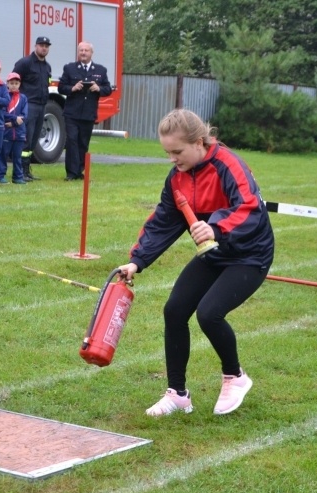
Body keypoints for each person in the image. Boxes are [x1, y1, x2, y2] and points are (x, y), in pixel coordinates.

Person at [116, 109, 275, 417]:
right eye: (167, 153)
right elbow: (163, 221)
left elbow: (251, 208)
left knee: (209, 313)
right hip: (214, 253)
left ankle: (236, 377)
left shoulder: (228, 165)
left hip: (250, 253)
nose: (173, 158)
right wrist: (137, 261)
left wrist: (216, 226)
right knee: (174, 310)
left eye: (177, 151)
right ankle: (177, 394)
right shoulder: (177, 178)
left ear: (200, 142)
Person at [58, 41, 112, 181]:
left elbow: (108, 89)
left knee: (83, 143)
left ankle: (79, 171)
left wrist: (98, 89)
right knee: (72, 141)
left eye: (86, 50)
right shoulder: (70, 68)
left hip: (88, 113)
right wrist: (72, 88)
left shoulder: (100, 70)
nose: (83, 53)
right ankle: (71, 173)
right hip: (72, 113)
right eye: (81, 50)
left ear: (91, 53)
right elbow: (61, 88)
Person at [12, 36, 52, 181]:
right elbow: (13, 81)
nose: (44, 48)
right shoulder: (25, 63)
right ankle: (20, 171)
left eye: (47, 46)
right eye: (41, 45)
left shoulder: (47, 67)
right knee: (26, 139)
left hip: (42, 106)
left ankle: (27, 170)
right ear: (35, 46)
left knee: (34, 140)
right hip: (29, 105)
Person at [0, 72, 28, 184]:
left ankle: (18, 176)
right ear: (7, 83)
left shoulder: (23, 98)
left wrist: (14, 123)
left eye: (16, 83)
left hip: (19, 132)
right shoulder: (4, 97)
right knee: (3, 155)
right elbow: (2, 113)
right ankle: (1, 174)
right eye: (11, 83)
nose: (14, 85)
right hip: (6, 132)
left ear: (19, 84)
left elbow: (25, 115)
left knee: (17, 157)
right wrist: (15, 118)